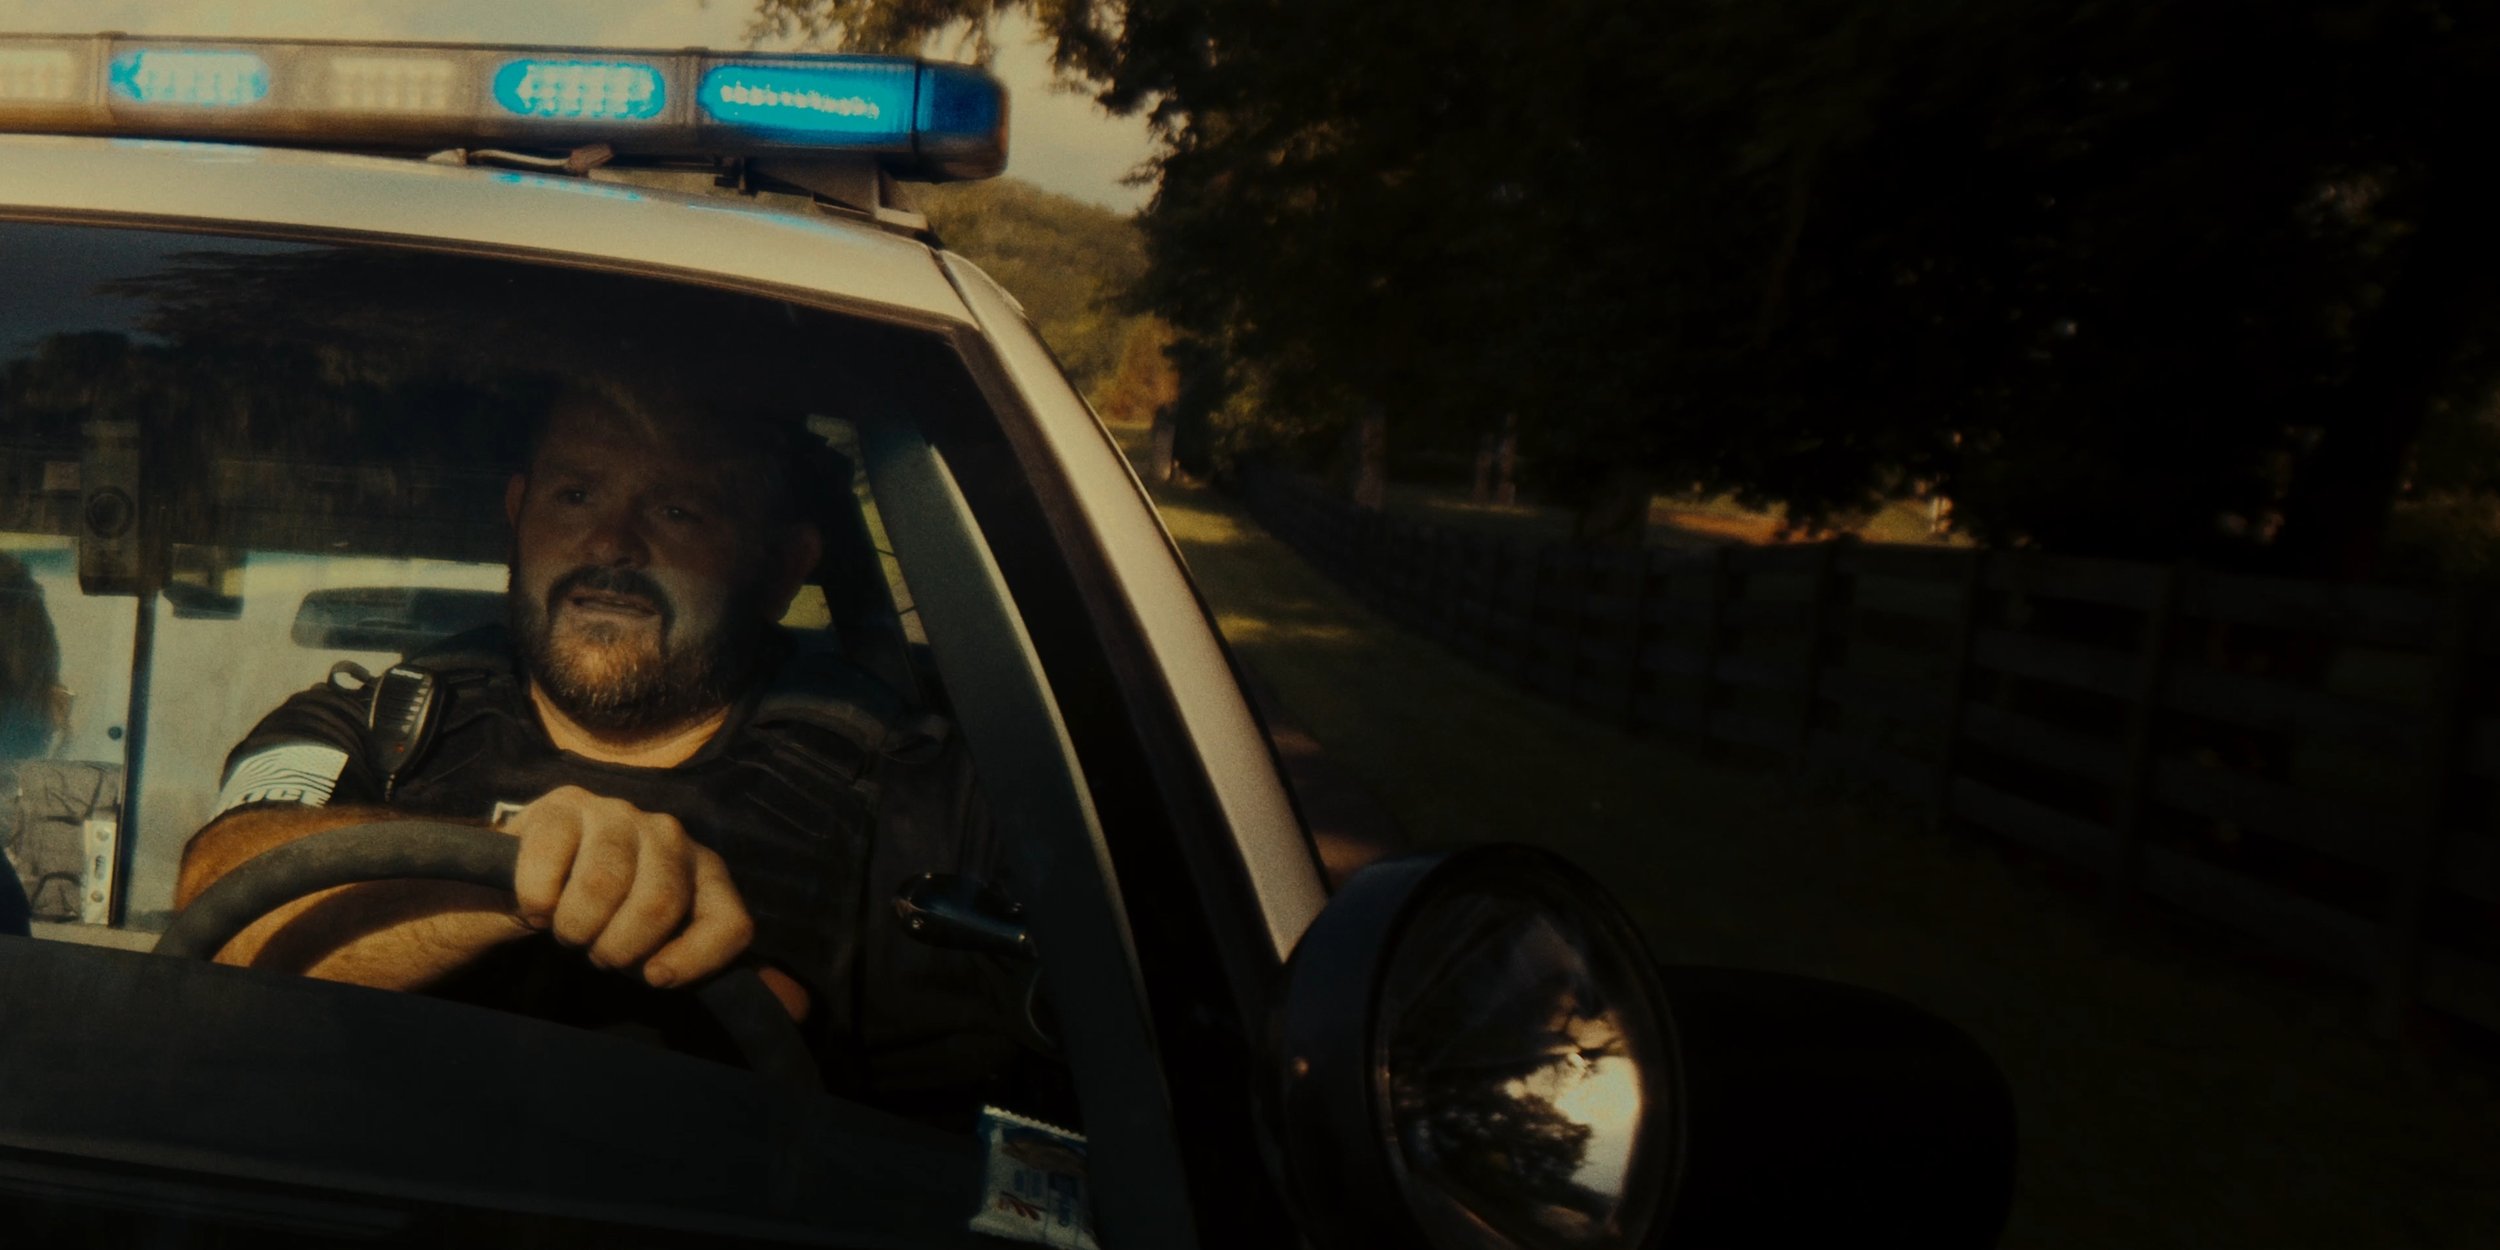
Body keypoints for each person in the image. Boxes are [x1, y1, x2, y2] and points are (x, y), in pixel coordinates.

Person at [174, 382, 1026, 1108]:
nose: (612, 544)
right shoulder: (385, 722)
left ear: (779, 569)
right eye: (575, 495)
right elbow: (220, 906)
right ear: (517, 518)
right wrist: (515, 866)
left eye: (676, 508)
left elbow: (976, 1146)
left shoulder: (914, 795)